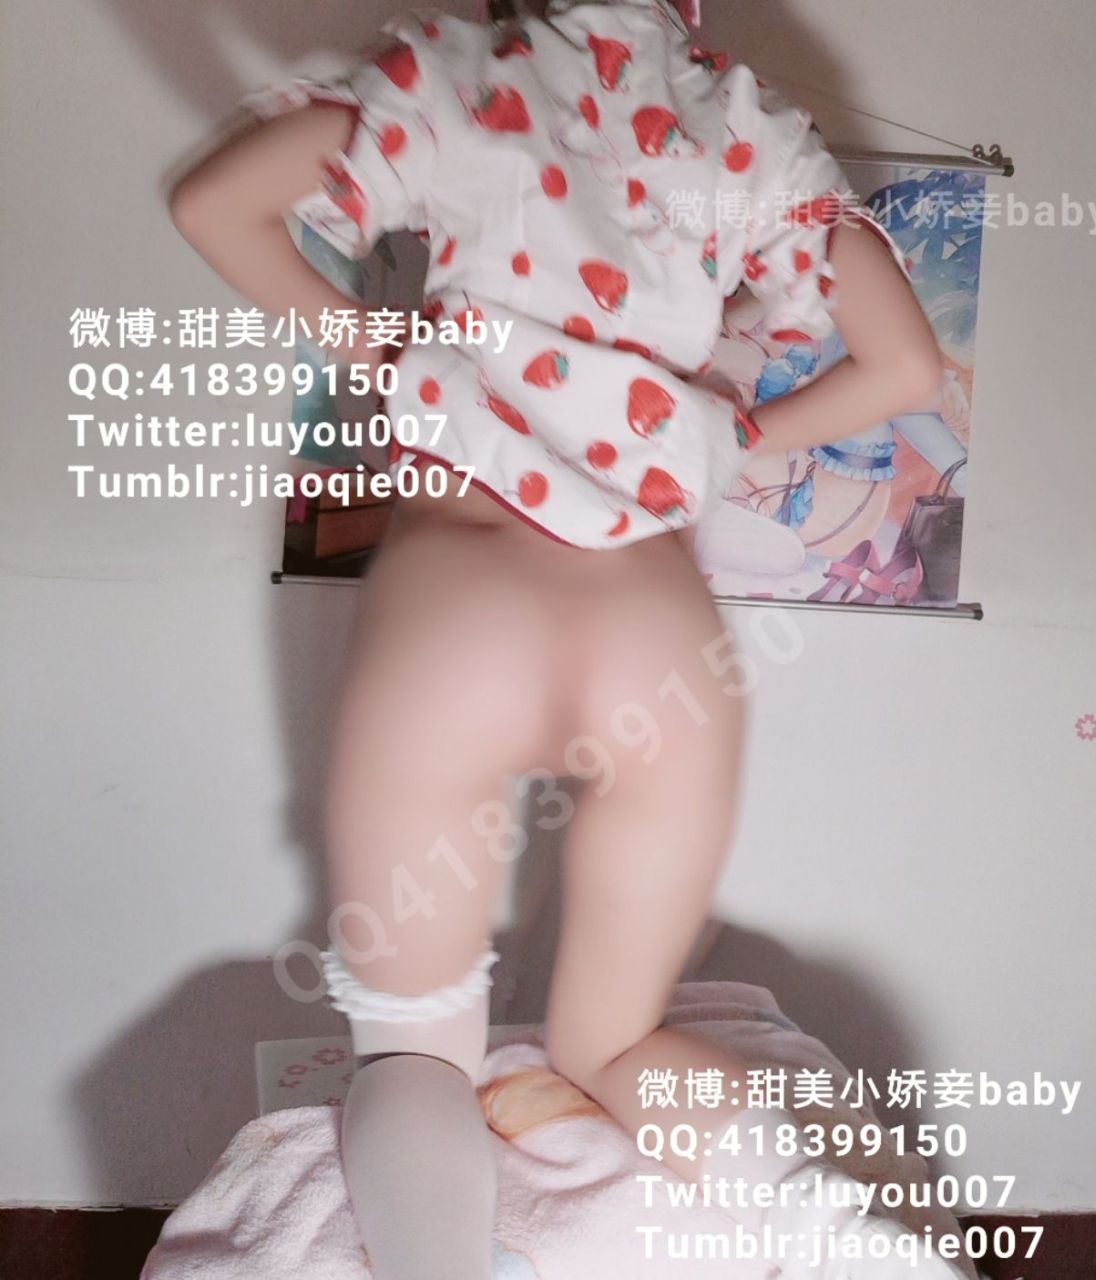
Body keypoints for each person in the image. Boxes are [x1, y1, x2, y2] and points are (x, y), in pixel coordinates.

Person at [169, 1, 971, 1276]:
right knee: (614, 1039)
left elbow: (215, 203)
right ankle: (849, 1243)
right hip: (654, 624)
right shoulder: (742, 129)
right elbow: (907, 370)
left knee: (416, 1054)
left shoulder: (462, 74)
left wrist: (378, 344)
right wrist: (726, 439)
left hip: (459, 598)